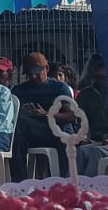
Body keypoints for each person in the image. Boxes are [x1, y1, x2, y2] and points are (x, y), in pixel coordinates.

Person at [9, 51, 75, 180]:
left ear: (47, 68)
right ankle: (20, 180)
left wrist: (47, 114)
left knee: (21, 122)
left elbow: (71, 115)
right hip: (28, 134)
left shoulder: (59, 88)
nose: (33, 76)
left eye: (36, 72)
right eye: (29, 74)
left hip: (52, 131)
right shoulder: (19, 90)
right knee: (16, 140)